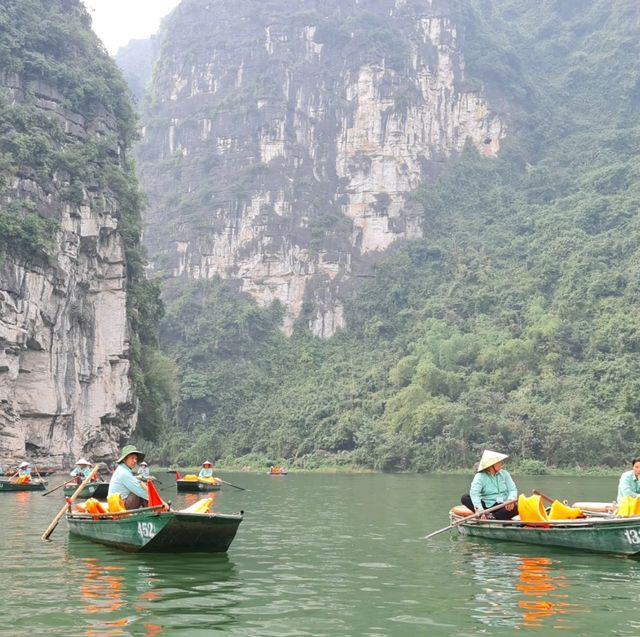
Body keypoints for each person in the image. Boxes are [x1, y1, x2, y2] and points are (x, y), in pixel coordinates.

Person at [461, 450, 519, 520]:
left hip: (502, 505)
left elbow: (512, 489)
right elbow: (474, 493)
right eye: (499, 462)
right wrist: (479, 510)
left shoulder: (504, 474)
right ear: (492, 464)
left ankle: (493, 517)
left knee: (516, 508)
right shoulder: (480, 476)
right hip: (486, 506)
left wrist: (510, 500)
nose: (501, 463)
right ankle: (485, 514)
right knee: (465, 498)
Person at [108, 445, 149, 510]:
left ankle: (153, 511)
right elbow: (140, 491)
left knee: (143, 489)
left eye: (136, 458)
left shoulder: (122, 469)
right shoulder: (123, 472)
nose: (135, 461)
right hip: (119, 507)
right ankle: (154, 512)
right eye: (132, 458)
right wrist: (156, 499)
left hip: (117, 505)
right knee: (141, 492)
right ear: (124, 460)